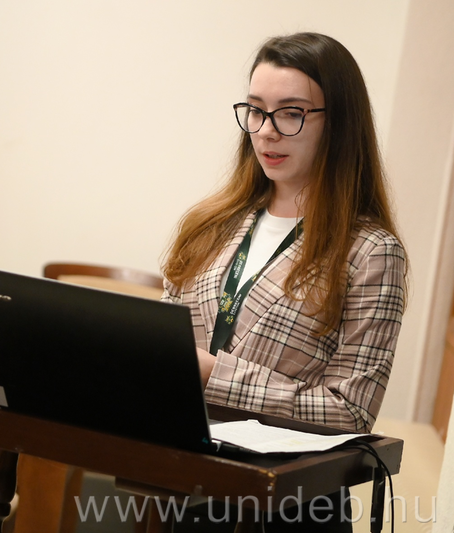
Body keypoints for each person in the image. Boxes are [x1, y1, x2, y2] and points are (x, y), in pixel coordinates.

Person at [162, 32, 407, 532]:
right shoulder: (208, 224)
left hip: (291, 506)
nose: (267, 132)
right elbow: (164, 348)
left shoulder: (371, 251)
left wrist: (214, 375)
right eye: (256, 110)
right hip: (179, 479)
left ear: (339, 123)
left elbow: (351, 412)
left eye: (290, 113)